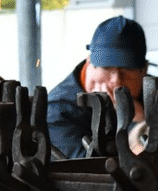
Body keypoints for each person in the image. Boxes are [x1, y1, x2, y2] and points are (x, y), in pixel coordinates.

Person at [47, 16, 148, 160]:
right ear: (89, 64)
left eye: (127, 69)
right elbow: (88, 171)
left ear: (144, 70)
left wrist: (139, 121)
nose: (116, 80)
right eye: (106, 68)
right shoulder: (57, 112)